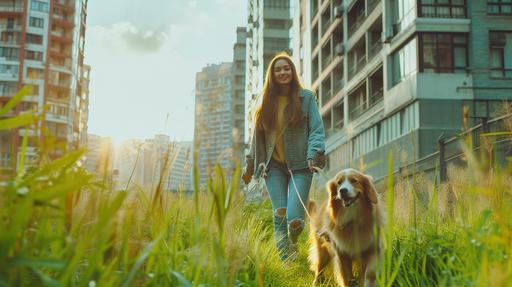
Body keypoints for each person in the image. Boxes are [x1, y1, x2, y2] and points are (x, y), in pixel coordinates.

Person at [242, 52, 326, 261]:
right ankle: (286, 261)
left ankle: (294, 241)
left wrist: (314, 154)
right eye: (278, 69)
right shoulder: (266, 101)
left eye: (286, 68)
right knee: (279, 213)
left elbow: (316, 129)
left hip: (301, 166)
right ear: (272, 74)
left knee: (295, 220)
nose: (282, 72)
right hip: (273, 167)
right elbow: (257, 138)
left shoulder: (306, 98)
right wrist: (250, 166)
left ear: (292, 71)